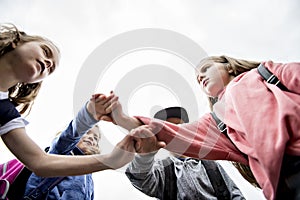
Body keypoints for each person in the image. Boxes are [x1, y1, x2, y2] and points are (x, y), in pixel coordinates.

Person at [101, 55, 300, 200]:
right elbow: (167, 137)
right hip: (287, 184)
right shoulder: (217, 122)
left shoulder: (266, 73)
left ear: (228, 66)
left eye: (205, 69)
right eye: (197, 78)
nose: (200, 77)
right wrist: (122, 119)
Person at [0, 23, 135, 179]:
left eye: (50, 70)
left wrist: (110, 160)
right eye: (45, 51)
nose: (48, 63)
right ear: (17, 41)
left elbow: (39, 162)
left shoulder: (6, 113)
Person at [126, 106, 245, 200]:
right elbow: (140, 178)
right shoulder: (163, 170)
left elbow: (234, 193)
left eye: (179, 127)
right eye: (168, 130)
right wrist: (145, 155)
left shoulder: (210, 165)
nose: (175, 133)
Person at [24, 123, 101, 200]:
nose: (91, 138)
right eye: (87, 132)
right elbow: (68, 136)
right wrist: (88, 117)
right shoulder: (61, 151)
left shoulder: (88, 174)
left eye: (95, 138)